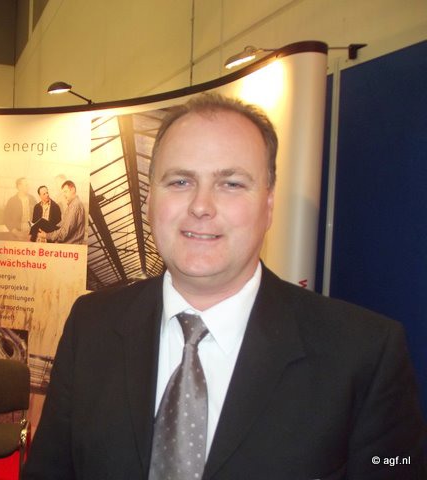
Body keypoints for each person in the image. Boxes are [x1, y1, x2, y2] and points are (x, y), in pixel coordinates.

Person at [22, 94, 426, 479]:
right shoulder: (91, 325)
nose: (201, 206)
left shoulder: (363, 355)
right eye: (180, 181)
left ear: (269, 204)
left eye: (231, 183)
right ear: (149, 200)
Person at [38, 180, 86, 244]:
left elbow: (64, 233)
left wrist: (46, 235)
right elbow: (64, 225)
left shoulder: (75, 206)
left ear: (73, 190)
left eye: (65, 192)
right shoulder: (73, 204)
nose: (64, 195)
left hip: (70, 246)